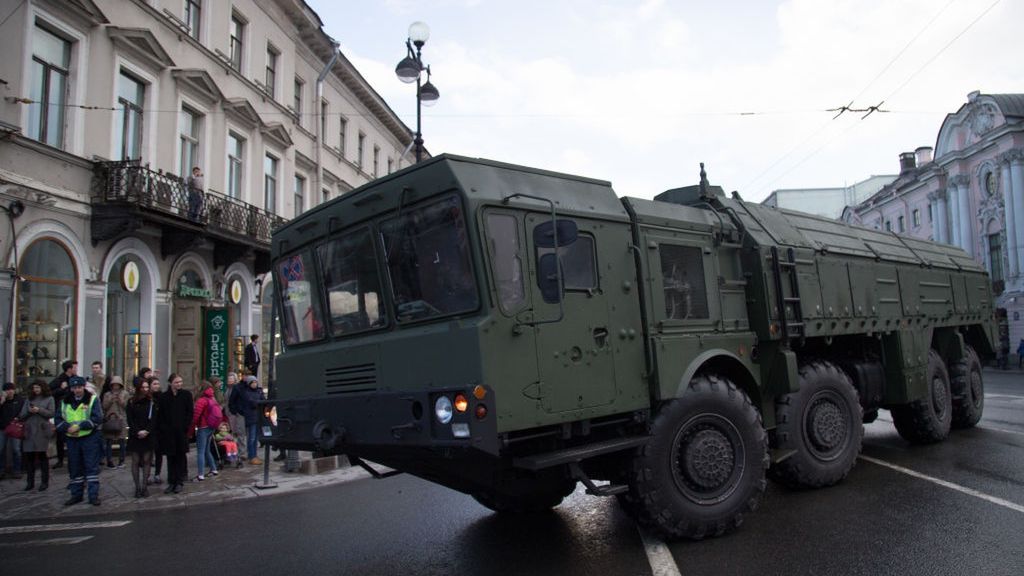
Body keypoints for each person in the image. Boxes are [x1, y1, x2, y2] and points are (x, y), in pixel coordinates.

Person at [55, 376, 103, 506]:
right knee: (75, 467)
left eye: (79, 387)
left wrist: (80, 426)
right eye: (75, 388)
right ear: (71, 389)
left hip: (89, 437)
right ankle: (76, 495)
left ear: (83, 387)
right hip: (72, 438)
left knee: (91, 467)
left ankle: (93, 496)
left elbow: (97, 418)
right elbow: (58, 420)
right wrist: (67, 428)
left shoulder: (92, 400)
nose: (77, 390)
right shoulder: (65, 402)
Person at [157, 373, 193, 494]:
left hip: (181, 432)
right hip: (168, 433)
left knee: (180, 456)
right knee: (170, 457)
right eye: (177, 382)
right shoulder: (164, 397)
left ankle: (179, 481)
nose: (179, 384)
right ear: (171, 383)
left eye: (180, 382)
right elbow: (160, 414)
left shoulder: (186, 395)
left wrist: (185, 426)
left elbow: (190, 412)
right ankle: (171, 481)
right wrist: (163, 428)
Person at [19, 380, 54, 491]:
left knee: (43, 457)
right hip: (29, 430)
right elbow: (22, 415)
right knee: (29, 458)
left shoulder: (49, 399)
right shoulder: (29, 399)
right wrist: (29, 411)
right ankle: (30, 482)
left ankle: (44, 482)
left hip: (42, 430)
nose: (36, 390)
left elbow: (51, 413)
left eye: (38, 387)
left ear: (43, 388)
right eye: (34, 388)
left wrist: (39, 410)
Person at [125, 379, 157, 498]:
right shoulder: (131, 402)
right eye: (143, 387)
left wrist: (147, 431)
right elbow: (130, 419)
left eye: (146, 387)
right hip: (135, 435)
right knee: (135, 460)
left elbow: (154, 418)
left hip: (148, 434)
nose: (145, 389)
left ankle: (144, 487)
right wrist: (137, 431)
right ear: (138, 388)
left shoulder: (151, 402)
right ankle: (137, 487)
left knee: (147, 460)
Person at [48, 359, 77, 469]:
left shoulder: (75, 379)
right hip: (61, 411)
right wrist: (61, 388)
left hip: (73, 411)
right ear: (69, 369)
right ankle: (60, 459)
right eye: (74, 367)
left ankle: (72, 459)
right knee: (60, 437)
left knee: (72, 435)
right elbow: (50, 392)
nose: (76, 369)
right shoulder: (60, 379)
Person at [191, 382, 221, 481]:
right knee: (207, 450)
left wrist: (190, 430)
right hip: (211, 427)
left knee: (200, 451)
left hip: (203, 427)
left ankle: (200, 474)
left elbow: (196, 416)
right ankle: (213, 469)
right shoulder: (212, 398)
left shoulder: (201, 400)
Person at [233, 375, 265, 465]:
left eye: (255, 382)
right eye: (253, 382)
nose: (255, 384)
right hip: (250, 417)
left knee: (255, 438)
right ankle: (252, 456)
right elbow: (252, 403)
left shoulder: (259, 391)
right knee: (251, 438)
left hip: (258, 416)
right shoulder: (246, 392)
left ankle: (254, 455)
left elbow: (263, 401)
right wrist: (259, 402)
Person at [101, 376, 128, 468]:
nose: (115, 386)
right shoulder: (107, 394)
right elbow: (104, 406)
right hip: (110, 419)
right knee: (109, 441)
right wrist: (110, 400)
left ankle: (122, 460)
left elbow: (127, 407)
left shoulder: (125, 394)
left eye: (117, 385)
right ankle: (109, 460)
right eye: (114, 385)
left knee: (122, 441)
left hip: (121, 419)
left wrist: (120, 401)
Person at [0, 382, 25, 478]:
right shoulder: (2, 400)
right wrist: (2, 401)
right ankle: (1, 470)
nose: (10, 391)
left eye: (11, 389)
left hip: (15, 428)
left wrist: (18, 418)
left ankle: (17, 470)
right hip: (2, 428)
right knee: (1, 449)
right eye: (7, 390)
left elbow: (23, 412)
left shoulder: (19, 400)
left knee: (16, 449)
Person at [224, 372, 246, 466]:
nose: (230, 381)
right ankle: (233, 452)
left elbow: (239, 400)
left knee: (240, 432)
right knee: (232, 433)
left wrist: (236, 411)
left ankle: (241, 452)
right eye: (229, 379)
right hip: (229, 413)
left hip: (236, 413)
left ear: (235, 379)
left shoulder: (237, 388)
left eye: (231, 379)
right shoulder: (227, 389)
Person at [148, 377, 164, 485]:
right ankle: (147, 474)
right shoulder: (147, 398)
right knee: (148, 453)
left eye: (158, 384)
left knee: (159, 453)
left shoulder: (161, 397)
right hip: (149, 428)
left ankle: (157, 474)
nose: (156, 386)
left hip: (160, 428)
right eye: (154, 384)